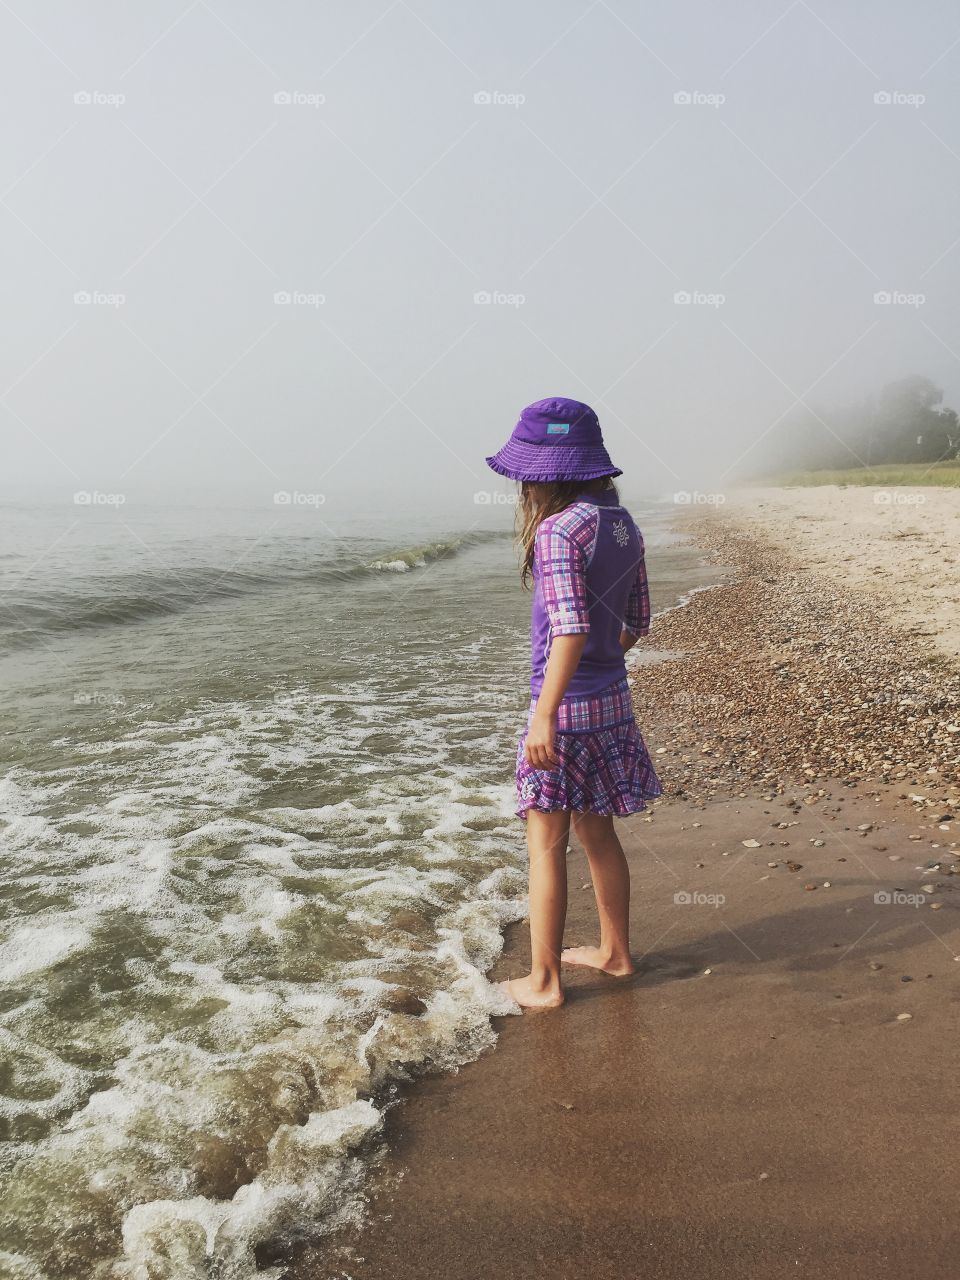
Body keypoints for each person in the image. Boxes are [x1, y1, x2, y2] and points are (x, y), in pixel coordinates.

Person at [485, 397, 662, 1009]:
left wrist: (545, 715)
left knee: (544, 845)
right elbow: (637, 621)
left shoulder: (559, 530)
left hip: (566, 712)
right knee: (598, 834)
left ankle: (543, 982)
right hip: (612, 704)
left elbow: (569, 629)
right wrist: (602, 667)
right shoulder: (621, 523)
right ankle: (616, 953)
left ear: (546, 473)